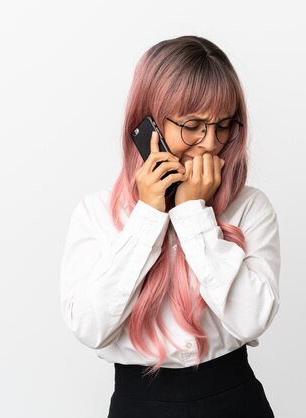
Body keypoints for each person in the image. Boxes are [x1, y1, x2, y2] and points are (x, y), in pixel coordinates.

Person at [60, 35, 281, 418]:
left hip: (233, 399)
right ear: (148, 122)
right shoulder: (96, 213)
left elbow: (250, 321)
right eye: (193, 125)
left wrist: (193, 213)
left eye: (223, 126)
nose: (210, 144)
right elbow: (90, 327)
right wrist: (149, 215)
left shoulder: (251, 207)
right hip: (139, 404)